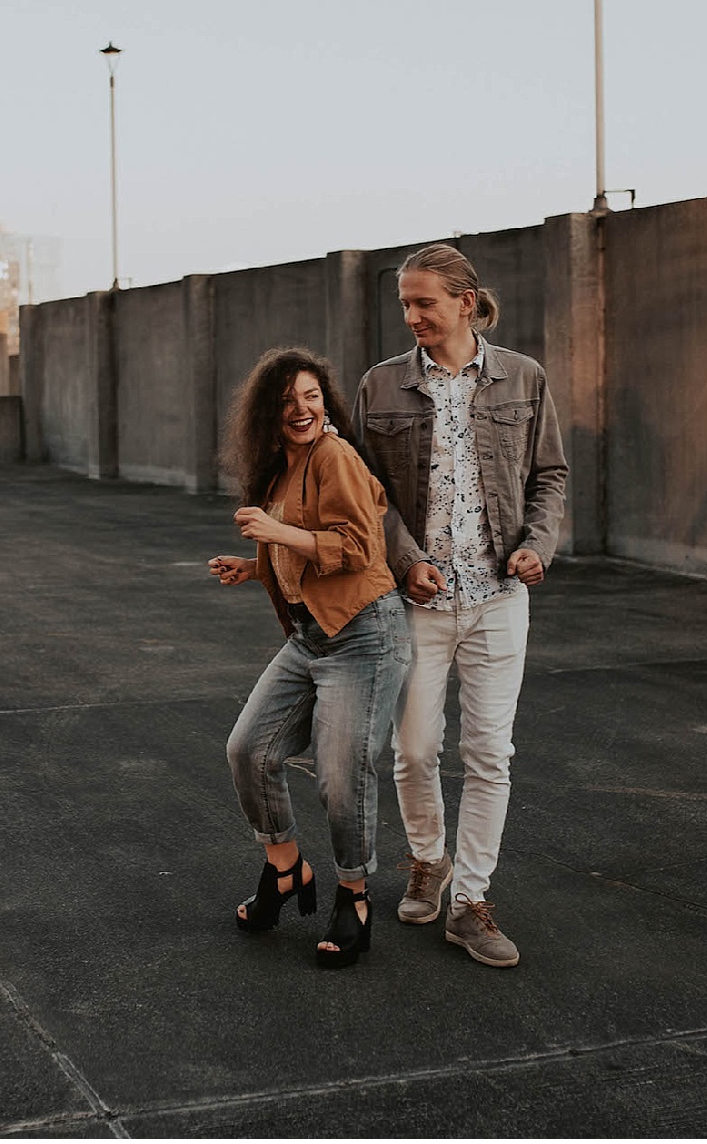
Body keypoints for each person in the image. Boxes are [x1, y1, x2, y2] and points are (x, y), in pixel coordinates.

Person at [351, 244, 569, 968]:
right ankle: (428, 859)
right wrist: (407, 560)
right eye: (405, 305)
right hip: (418, 604)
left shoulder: (523, 378)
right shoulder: (380, 387)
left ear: (465, 303)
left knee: (489, 754)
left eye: (425, 303)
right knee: (412, 749)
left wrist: (539, 542)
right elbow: (366, 497)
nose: (412, 316)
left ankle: (472, 901)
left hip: (499, 597)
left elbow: (548, 474)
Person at [210, 347, 413, 968]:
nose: (301, 410)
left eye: (311, 396)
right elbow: (302, 551)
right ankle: (286, 869)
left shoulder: (335, 456)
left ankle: (353, 895)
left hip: (363, 636)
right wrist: (255, 566)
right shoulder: (280, 468)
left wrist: (275, 535)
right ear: (267, 415)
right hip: (309, 636)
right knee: (250, 750)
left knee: (339, 776)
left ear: (326, 400)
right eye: (287, 401)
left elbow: (357, 547)